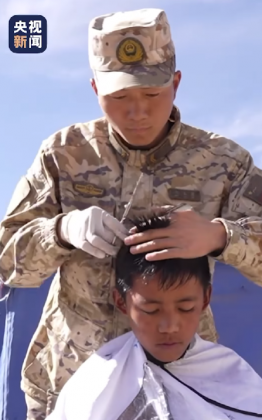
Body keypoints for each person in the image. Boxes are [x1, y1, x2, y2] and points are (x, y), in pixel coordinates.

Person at [0, 7, 261, 420]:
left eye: (152, 95)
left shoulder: (223, 163)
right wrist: (61, 231)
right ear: (94, 88)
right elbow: (6, 262)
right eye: (119, 97)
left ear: (175, 83)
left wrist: (221, 236)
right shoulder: (63, 155)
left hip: (181, 384)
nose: (137, 112)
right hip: (74, 378)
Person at [46, 214, 262, 420]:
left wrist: (220, 235)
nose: (169, 326)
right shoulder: (95, 384)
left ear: (205, 300)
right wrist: (61, 229)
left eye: (185, 307)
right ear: (122, 302)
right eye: (150, 310)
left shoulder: (232, 377)